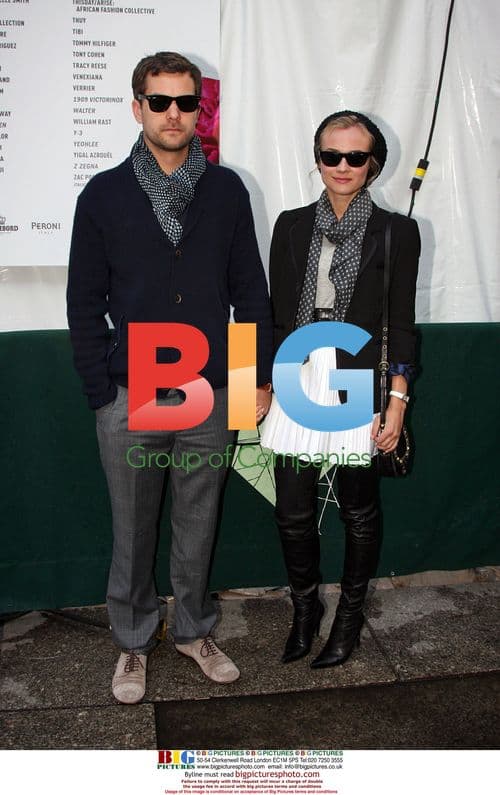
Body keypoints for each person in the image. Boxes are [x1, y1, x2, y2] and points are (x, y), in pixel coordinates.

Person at [67, 51, 273, 703]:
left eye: (187, 102)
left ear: (198, 110)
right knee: (132, 524)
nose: (175, 114)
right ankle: (132, 641)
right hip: (133, 389)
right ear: (138, 108)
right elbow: (82, 300)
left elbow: (250, 291)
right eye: (161, 102)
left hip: (208, 387)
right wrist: (103, 391)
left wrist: (252, 381)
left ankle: (192, 629)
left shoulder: (227, 190)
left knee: (198, 517)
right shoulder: (103, 195)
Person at [261, 111, 420, 668]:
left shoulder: (397, 231)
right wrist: (259, 383)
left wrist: (397, 400)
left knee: (358, 508)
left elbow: (401, 320)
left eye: (356, 156)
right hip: (295, 370)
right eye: (332, 155)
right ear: (317, 159)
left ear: (373, 162)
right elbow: (271, 311)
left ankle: (349, 617)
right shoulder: (290, 224)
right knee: (293, 512)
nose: (343, 166)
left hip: (357, 378)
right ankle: (305, 612)